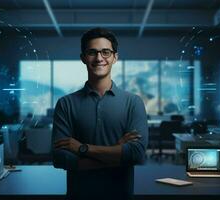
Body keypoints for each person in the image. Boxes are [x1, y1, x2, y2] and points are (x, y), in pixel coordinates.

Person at [52, 27, 148, 200]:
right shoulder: (65, 104)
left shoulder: (133, 102)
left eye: (106, 52)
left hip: (121, 195)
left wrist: (82, 148)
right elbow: (60, 158)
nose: (99, 58)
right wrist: (117, 152)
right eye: (92, 52)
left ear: (115, 57)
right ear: (83, 58)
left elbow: (137, 154)